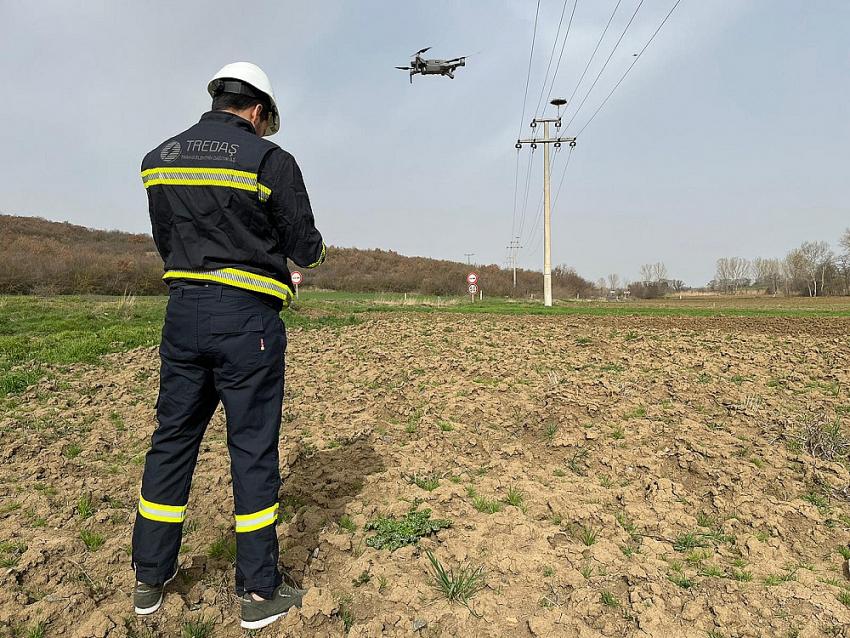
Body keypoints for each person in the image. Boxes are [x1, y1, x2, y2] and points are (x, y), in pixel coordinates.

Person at [131, 62, 325, 630]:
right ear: (260, 111)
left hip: (182, 315)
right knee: (252, 449)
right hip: (248, 325)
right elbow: (305, 247)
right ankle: (260, 591)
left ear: (218, 99)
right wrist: (286, 264)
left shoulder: (159, 159)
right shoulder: (270, 161)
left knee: (171, 441)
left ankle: (149, 578)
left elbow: (167, 239)